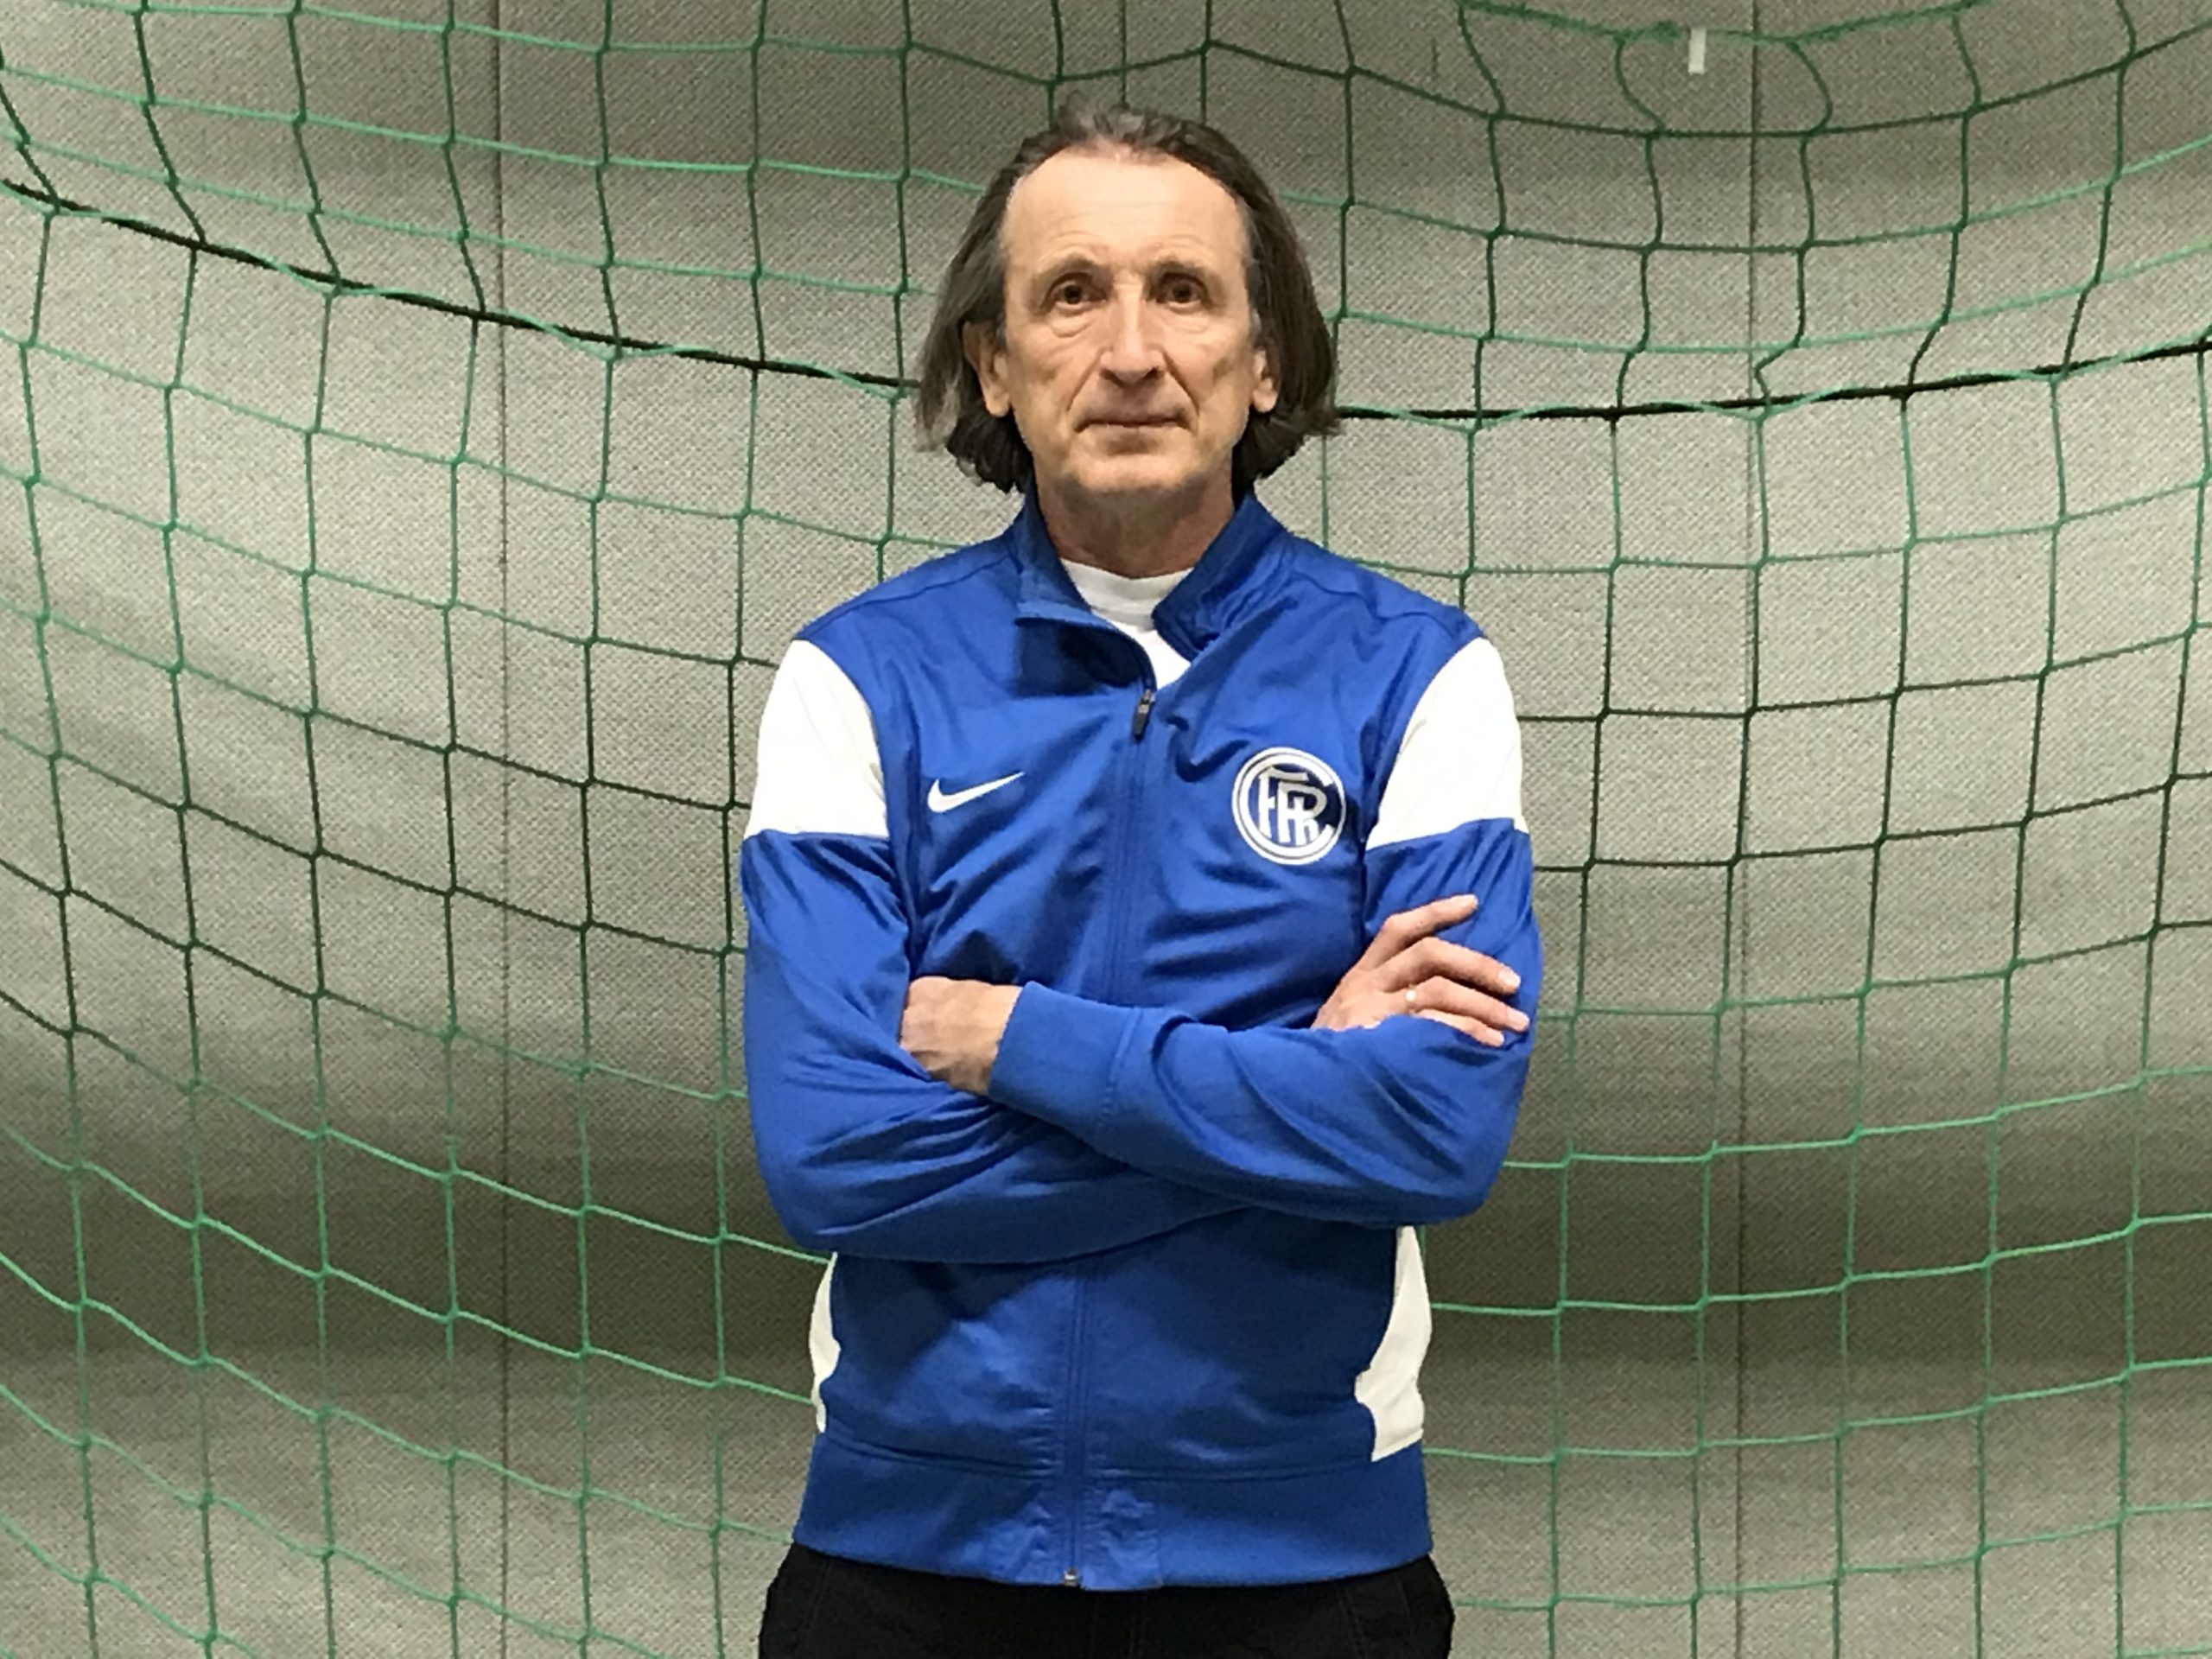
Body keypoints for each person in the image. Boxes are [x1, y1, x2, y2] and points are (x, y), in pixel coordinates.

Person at [739, 99, 1541, 1659]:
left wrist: (1022, 1042)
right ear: (993, 365)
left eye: (1183, 292)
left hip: (1306, 1571)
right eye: (1071, 294)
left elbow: (1436, 1131)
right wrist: (1302, 1081)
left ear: (1266, 361)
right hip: (907, 1564)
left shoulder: (1422, 676)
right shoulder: (855, 680)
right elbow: (836, 1158)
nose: (1128, 351)